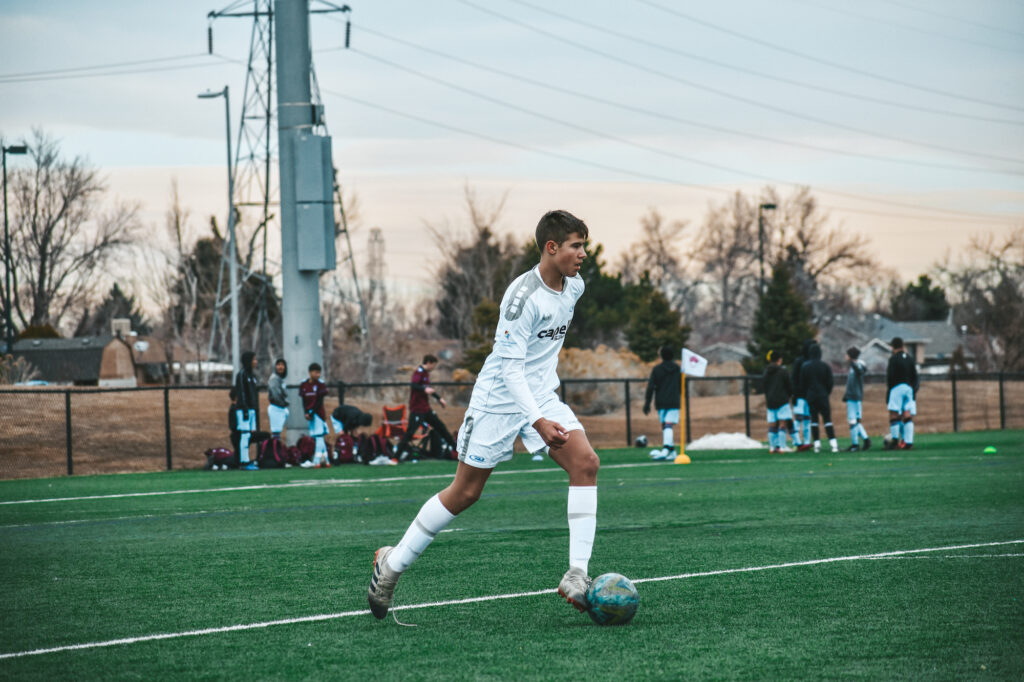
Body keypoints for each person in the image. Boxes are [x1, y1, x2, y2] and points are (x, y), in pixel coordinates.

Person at [367, 209, 597, 620]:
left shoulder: (574, 286)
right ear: (551, 247)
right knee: (466, 493)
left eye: (584, 245)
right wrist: (539, 423)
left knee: (586, 463)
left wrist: (542, 413)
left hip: (540, 395)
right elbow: (509, 368)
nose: (583, 253)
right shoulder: (521, 297)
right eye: (576, 245)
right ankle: (392, 564)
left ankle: (577, 575)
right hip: (498, 399)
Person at [392, 354, 458, 461]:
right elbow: (414, 385)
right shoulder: (419, 372)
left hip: (426, 409)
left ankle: (457, 451)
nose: (434, 368)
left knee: (441, 428)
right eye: (433, 365)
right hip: (417, 410)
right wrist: (423, 389)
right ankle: (395, 458)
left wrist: (439, 398)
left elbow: (428, 389)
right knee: (410, 433)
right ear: (429, 363)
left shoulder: (426, 374)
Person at [643, 345, 681, 461]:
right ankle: (672, 451)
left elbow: (651, 387)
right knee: (667, 425)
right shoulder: (678, 369)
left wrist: (647, 402)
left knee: (666, 425)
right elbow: (681, 384)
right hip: (674, 401)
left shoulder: (657, 369)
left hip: (661, 401)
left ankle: (665, 450)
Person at [799, 343, 838, 453]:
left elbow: (802, 383)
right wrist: (826, 392)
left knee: (814, 420)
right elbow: (830, 382)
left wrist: (806, 394)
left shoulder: (805, 366)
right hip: (823, 395)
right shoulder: (825, 366)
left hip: (811, 396)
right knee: (827, 419)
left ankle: (817, 445)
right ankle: (833, 444)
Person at [299, 362, 335, 468]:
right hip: (310, 414)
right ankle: (326, 460)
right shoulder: (304, 385)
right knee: (316, 436)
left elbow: (319, 400)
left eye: (319, 373)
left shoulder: (320, 384)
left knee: (319, 436)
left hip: (318, 414)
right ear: (310, 373)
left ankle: (316, 460)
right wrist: (306, 412)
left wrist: (312, 412)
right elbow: (304, 401)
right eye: (316, 372)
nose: (318, 375)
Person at [886, 337, 919, 450]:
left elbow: (890, 377)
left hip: (896, 388)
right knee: (907, 414)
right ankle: (908, 442)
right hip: (909, 389)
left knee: (894, 414)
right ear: (903, 345)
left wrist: (889, 393)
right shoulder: (909, 358)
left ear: (892, 347)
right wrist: (914, 390)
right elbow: (915, 376)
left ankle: (895, 441)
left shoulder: (893, 359)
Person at [762, 350, 796, 454]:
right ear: (779, 360)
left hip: (770, 401)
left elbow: (764, 386)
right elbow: (789, 385)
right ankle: (782, 446)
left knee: (772, 424)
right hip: (782, 400)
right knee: (782, 423)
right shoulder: (783, 371)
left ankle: (772, 447)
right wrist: (791, 394)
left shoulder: (766, 371)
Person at [233, 350, 260, 470]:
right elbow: (242, 393)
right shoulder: (242, 375)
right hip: (244, 410)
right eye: (254, 359)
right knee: (244, 435)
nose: (256, 361)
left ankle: (247, 459)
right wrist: (244, 408)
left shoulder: (252, 376)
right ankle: (243, 461)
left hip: (251, 409)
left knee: (249, 435)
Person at [842, 347, 871, 452]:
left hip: (854, 396)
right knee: (855, 421)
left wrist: (853, 362)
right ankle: (865, 439)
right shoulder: (854, 366)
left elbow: (860, 371)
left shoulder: (857, 365)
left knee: (852, 420)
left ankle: (855, 444)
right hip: (853, 395)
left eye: (847, 354)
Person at [789, 339, 814, 450]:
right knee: (798, 419)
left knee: (807, 420)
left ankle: (807, 442)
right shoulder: (799, 361)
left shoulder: (812, 362)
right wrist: (794, 394)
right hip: (800, 396)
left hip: (808, 396)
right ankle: (796, 442)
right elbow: (794, 379)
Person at [267, 358, 289, 440]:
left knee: (277, 433)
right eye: (278, 365)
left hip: (280, 408)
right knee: (275, 433)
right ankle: (275, 450)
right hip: (276, 407)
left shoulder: (280, 379)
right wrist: (283, 403)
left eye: (282, 365)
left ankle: (276, 449)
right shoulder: (274, 379)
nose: (280, 367)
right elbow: (276, 395)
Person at [227, 387, 241, 468]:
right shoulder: (234, 409)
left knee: (239, 454)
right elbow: (233, 425)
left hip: (238, 434)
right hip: (236, 435)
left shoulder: (237, 408)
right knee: (238, 456)